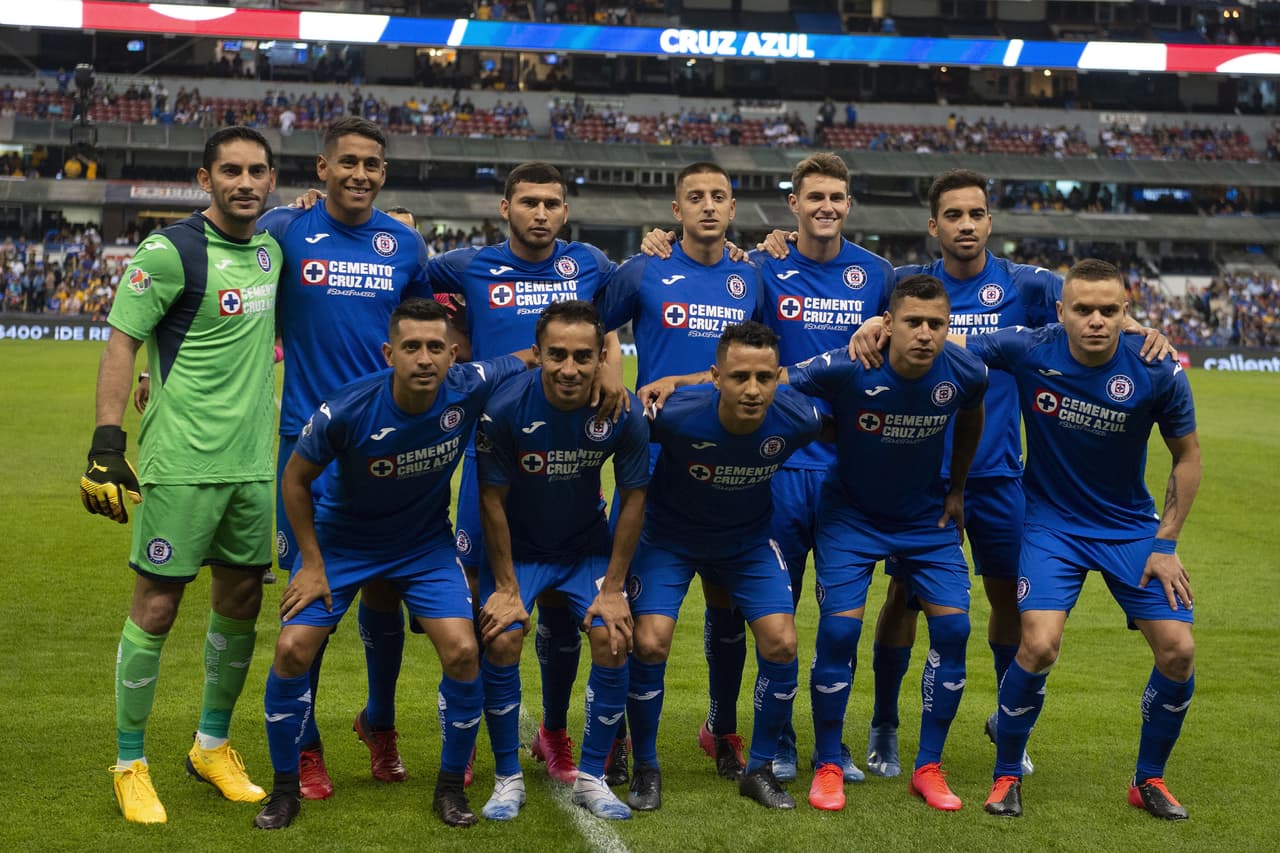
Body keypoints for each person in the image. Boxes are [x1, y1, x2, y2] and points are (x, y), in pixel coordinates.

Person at [844, 170, 1171, 779]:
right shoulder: (911, 289)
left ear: (990, 220)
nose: (966, 224)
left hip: (999, 475)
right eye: (954, 215)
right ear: (933, 225)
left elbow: (1090, 298)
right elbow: (868, 330)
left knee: (1005, 599)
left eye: (977, 213)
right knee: (906, 599)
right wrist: (868, 324)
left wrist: (1137, 326)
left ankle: (1007, 721)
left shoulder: (1025, 285)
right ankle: (885, 722)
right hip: (921, 474)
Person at [254, 298, 534, 830]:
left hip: (423, 545)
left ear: (452, 354)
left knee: (462, 650)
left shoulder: (467, 385)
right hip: (342, 543)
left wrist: (608, 377)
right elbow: (294, 480)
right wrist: (311, 563)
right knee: (291, 649)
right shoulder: (349, 408)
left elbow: (530, 356)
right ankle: (285, 790)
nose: (424, 358)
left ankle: (450, 788)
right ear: (390, 353)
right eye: (411, 347)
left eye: (435, 347)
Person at [80, 126, 281, 824]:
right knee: (158, 606)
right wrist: (109, 441)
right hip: (184, 463)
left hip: (254, 468)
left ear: (273, 180)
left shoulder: (271, 249)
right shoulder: (170, 251)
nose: (245, 182)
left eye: (257, 170)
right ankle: (130, 762)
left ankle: (212, 745)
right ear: (205, 178)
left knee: (242, 602)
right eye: (231, 170)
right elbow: (122, 341)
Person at [955, 260, 1199, 820]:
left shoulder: (1158, 368)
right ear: (1060, 311)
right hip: (1051, 525)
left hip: (1131, 528)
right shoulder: (1029, 348)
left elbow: (1187, 457)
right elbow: (950, 337)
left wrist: (1165, 544)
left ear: (1126, 311)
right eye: (1083, 309)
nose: (1095, 321)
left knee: (1179, 652)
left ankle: (1149, 779)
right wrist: (880, 326)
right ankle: (1006, 775)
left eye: (1109, 310)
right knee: (1038, 645)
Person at [427, 161, 628, 788]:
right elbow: (405, 272)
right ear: (504, 208)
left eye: (552, 203)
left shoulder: (591, 264)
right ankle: (459, 742)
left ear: (565, 211)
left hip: (564, 458)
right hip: (490, 454)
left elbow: (629, 309)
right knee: (475, 614)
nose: (541, 213)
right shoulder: (465, 266)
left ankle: (555, 730)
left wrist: (615, 358)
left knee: (570, 617)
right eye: (529, 202)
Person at [258, 117, 434, 799]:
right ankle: (304, 747)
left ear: (383, 174)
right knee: (313, 594)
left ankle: (380, 723)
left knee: (386, 587)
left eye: (372, 164)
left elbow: (430, 327)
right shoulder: (284, 230)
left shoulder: (406, 243)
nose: (361, 174)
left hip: (388, 445)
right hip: (306, 445)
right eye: (348, 162)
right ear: (322, 168)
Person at [786, 275, 987, 812]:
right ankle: (828, 764)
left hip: (925, 516)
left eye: (936, 324)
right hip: (850, 514)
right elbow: (775, 384)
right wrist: (830, 430)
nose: (924, 334)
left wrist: (958, 490)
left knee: (955, 626)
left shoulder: (965, 371)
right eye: (913, 322)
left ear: (949, 327)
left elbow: (971, 417)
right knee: (836, 632)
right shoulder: (849, 366)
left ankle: (929, 768)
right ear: (888, 324)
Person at [602, 161, 766, 786]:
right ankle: (614, 736)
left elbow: (766, 365)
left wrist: (688, 381)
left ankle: (722, 730)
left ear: (732, 208)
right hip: (653, 467)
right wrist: (615, 374)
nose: (706, 206)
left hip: (732, 466)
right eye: (694, 197)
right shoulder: (645, 268)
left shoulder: (751, 278)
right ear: (674, 211)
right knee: (632, 616)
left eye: (718, 197)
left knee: (727, 613)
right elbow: (589, 328)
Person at [625, 321, 823, 812]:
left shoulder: (799, 419)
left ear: (779, 377)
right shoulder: (673, 416)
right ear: (715, 376)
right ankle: (645, 767)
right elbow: (615, 437)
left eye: (763, 377)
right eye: (739, 377)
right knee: (650, 641)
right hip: (669, 539)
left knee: (781, 641)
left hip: (746, 543)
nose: (752, 390)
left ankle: (758, 770)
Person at [475, 300, 649, 821]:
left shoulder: (622, 410)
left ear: (602, 357)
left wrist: (614, 586)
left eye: (582, 356)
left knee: (613, 634)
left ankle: (593, 777)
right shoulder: (505, 408)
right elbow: (490, 499)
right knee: (502, 636)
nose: (568, 369)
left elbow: (635, 496)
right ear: (540, 353)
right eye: (556, 356)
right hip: (522, 551)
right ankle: (507, 776)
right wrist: (505, 587)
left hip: (583, 549)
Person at [753, 152, 894, 782]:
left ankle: (830, 747)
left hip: (848, 472)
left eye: (837, 196)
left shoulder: (877, 273)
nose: (826, 207)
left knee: (842, 620)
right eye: (815, 198)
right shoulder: (763, 267)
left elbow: (914, 327)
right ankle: (777, 737)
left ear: (849, 202)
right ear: (794, 204)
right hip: (778, 467)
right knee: (774, 613)